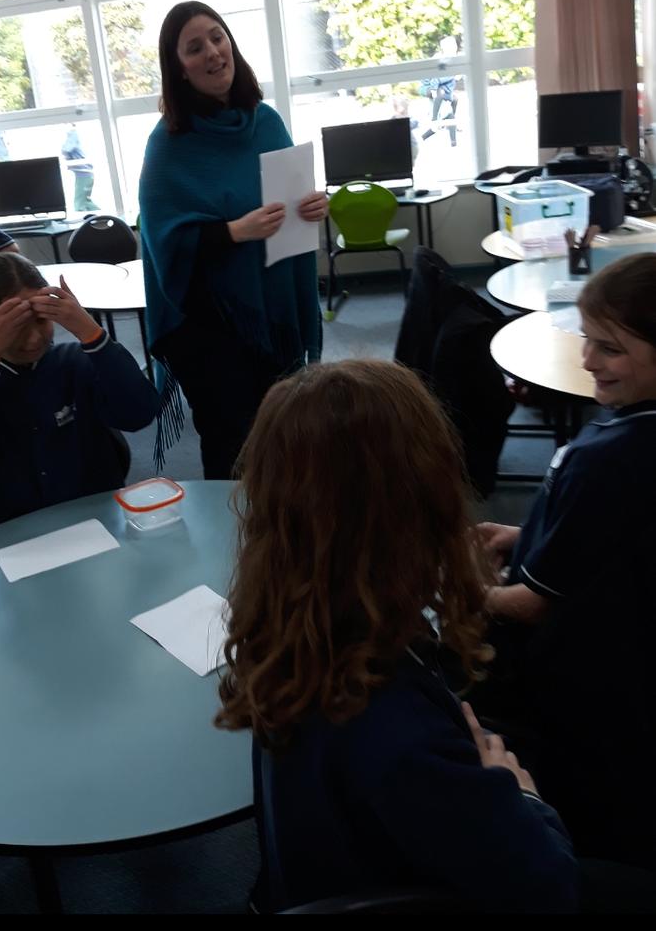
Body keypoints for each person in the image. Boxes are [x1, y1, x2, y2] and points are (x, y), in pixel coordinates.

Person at [216, 359, 579, 914]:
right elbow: (549, 887)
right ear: (424, 502)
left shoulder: (290, 624)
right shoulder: (398, 728)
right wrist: (521, 793)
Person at [477, 254, 656, 866]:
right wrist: (527, 533)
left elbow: (531, 605)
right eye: (587, 340)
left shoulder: (605, 461)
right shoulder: (628, 436)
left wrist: (456, 587)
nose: (586, 361)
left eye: (609, 348)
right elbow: (616, 536)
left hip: (581, 689)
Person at [139, 0, 326, 478]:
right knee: (233, 445)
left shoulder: (266, 121)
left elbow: (290, 201)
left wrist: (311, 208)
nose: (212, 52)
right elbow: (164, 243)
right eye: (194, 48)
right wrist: (236, 231)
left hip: (274, 312)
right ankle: (230, 525)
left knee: (285, 432)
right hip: (210, 324)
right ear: (179, 69)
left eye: (217, 37)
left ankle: (283, 522)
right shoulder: (168, 143)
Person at [0, 252, 159, 532]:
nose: (33, 339)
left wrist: (91, 333)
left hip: (93, 518)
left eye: (41, 321)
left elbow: (139, 413)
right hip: (9, 531)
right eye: (16, 326)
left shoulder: (75, 362)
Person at [62, 127, 99, 212]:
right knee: (83, 201)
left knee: (80, 203)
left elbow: (66, 149)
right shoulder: (73, 135)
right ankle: (104, 215)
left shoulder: (73, 134)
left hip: (84, 175)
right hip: (83, 175)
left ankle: (104, 215)